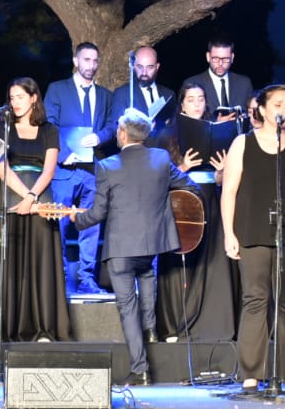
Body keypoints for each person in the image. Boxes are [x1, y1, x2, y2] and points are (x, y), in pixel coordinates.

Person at [66, 109, 200, 386]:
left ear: (123, 134)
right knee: (148, 277)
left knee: (127, 307)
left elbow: (98, 213)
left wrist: (76, 218)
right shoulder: (162, 159)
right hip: (152, 243)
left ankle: (140, 368)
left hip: (121, 248)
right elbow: (190, 187)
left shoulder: (107, 166)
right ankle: (150, 329)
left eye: (117, 130)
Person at [221, 85, 285, 393]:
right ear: (262, 109)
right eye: (278, 104)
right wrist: (229, 233)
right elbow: (229, 191)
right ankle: (251, 373)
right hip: (252, 229)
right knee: (255, 300)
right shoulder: (243, 143)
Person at [153, 83, 237, 341]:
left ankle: (214, 324)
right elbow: (158, 177)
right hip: (182, 202)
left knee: (212, 261)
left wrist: (222, 170)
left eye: (201, 99)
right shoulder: (168, 134)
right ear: (182, 104)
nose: (197, 104)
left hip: (211, 198)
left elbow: (224, 180)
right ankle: (175, 323)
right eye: (191, 99)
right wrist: (182, 166)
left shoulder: (218, 131)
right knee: (182, 262)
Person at [0, 77, 70, 342]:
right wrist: (25, 197)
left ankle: (43, 328)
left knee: (41, 260)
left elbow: (49, 169)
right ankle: (7, 327)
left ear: (34, 97)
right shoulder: (4, 126)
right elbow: (1, 167)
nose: (15, 103)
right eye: (12, 98)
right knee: (9, 259)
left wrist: (33, 196)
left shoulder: (49, 129)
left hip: (40, 196)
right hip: (11, 194)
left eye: (20, 97)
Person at [44, 42, 114, 295]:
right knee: (60, 224)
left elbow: (112, 124)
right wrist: (64, 153)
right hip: (65, 169)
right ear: (75, 61)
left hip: (92, 170)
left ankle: (86, 278)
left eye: (95, 61)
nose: (91, 65)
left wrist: (100, 137)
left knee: (91, 225)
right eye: (86, 60)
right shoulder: (57, 90)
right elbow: (48, 124)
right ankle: (60, 276)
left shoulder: (105, 94)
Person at [182, 37, 254, 123]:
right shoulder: (193, 83)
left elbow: (251, 116)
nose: (220, 64)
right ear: (208, 57)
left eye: (225, 59)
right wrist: (216, 124)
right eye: (216, 58)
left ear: (232, 57)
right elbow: (186, 122)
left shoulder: (244, 83)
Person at [107, 45, 175, 131]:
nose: (144, 73)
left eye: (150, 67)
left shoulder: (169, 94)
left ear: (157, 67)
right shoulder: (122, 94)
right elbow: (116, 129)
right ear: (134, 66)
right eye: (140, 67)